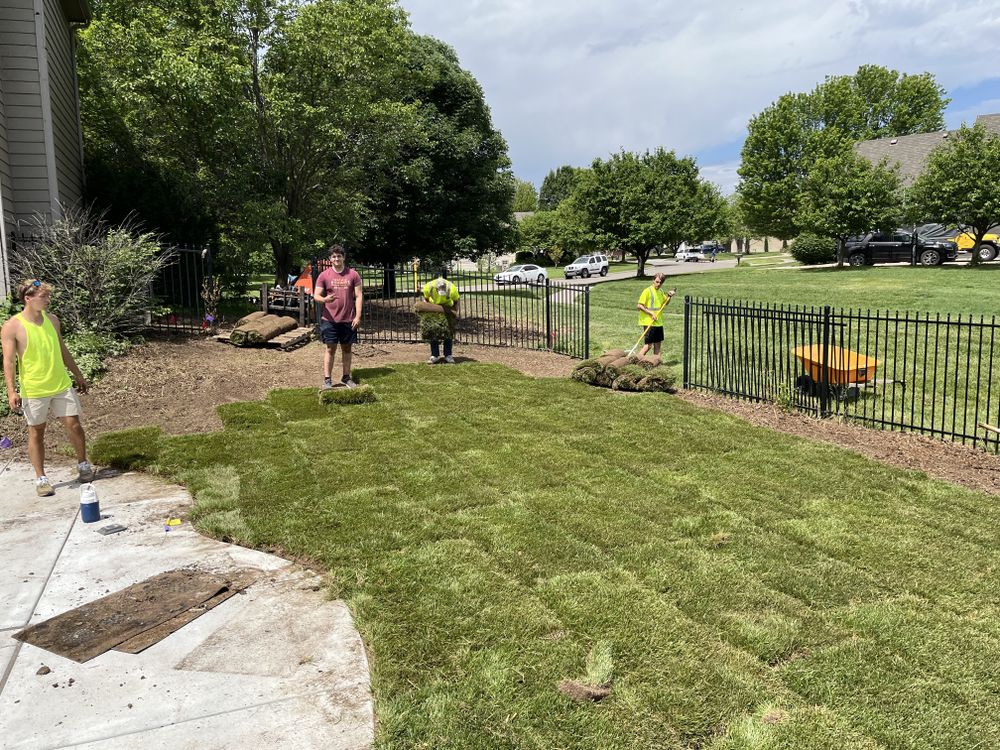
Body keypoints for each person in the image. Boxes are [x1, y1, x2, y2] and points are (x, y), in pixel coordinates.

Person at [1, 279, 95, 496]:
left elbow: (62, 349)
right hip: (34, 389)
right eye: (43, 297)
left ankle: (82, 464)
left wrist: (78, 374)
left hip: (60, 384)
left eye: (48, 296)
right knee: (36, 432)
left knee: (74, 425)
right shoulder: (12, 326)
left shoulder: (52, 320)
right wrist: (11, 390)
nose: (48, 300)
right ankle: (41, 478)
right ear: (28, 299)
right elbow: (9, 361)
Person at [313, 245, 363, 389]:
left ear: (344, 257)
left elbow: (359, 296)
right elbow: (316, 296)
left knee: (347, 349)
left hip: (348, 319)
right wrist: (325, 300)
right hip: (330, 319)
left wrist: (358, 316)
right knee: (330, 349)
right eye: (334, 256)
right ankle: (327, 379)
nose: (337, 259)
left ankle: (346, 377)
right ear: (330, 259)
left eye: (339, 256)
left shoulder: (353, 275)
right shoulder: (324, 275)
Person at [421, 274, 460, 364]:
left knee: (448, 332)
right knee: (433, 332)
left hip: (447, 308)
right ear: (436, 288)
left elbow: (456, 301)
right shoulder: (428, 287)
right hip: (434, 307)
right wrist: (429, 309)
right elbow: (426, 299)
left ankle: (448, 355)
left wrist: (454, 314)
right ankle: (435, 355)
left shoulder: (452, 288)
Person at [636, 273, 675, 361]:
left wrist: (669, 296)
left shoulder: (661, 291)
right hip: (649, 321)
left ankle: (656, 364)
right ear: (653, 280)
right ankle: (635, 361)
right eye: (656, 282)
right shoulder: (647, 291)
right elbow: (639, 306)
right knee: (648, 346)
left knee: (658, 345)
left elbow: (665, 303)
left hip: (658, 322)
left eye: (660, 283)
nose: (658, 284)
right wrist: (651, 313)